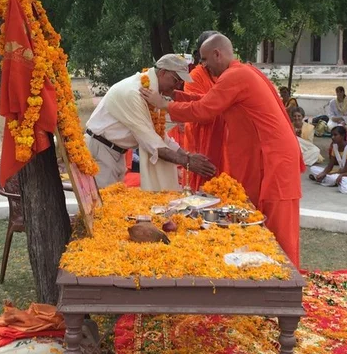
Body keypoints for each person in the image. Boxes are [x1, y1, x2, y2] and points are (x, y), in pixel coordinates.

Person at [140, 33, 303, 265]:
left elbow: (204, 109)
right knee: (254, 214)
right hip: (264, 156)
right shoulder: (239, 73)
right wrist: (175, 95)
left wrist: (164, 104)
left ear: (217, 54)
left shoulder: (236, 75)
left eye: (205, 60)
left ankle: (286, 286)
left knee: (278, 224)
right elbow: (205, 99)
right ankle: (261, 272)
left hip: (274, 158)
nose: (203, 65)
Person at [88, 54, 215, 191]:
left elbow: (159, 135)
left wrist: (187, 155)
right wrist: (188, 162)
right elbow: (152, 142)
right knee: (103, 205)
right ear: (162, 72)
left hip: (115, 152)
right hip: (101, 149)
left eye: (181, 82)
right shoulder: (134, 93)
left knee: (111, 200)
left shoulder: (152, 92)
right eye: (176, 80)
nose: (178, 85)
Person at [181, 31, 227, 191]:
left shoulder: (227, 73)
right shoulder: (194, 76)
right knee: (201, 191)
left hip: (226, 143)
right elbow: (201, 111)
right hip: (201, 143)